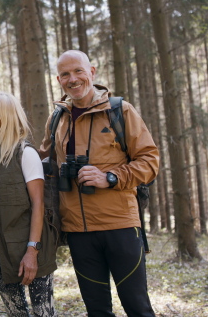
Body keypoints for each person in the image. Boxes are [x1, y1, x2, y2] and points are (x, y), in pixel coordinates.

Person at [39, 50, 159, 317]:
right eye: (66, 74)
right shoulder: (57, 119)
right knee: (97, 311)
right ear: (59, 79)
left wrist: (111, 177)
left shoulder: (120, 111)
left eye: (78, 71)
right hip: (79, 232)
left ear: (91, 72)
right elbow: (41, 164)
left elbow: (150, 161)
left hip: (121, 227)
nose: (73, 79)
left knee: (138, 307)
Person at [0, 92, 57, 316]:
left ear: (7, 117)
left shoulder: (25, 153)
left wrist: (32, 251)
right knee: (15, 312)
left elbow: (38, 204)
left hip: (31, 245)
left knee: (43, 313)